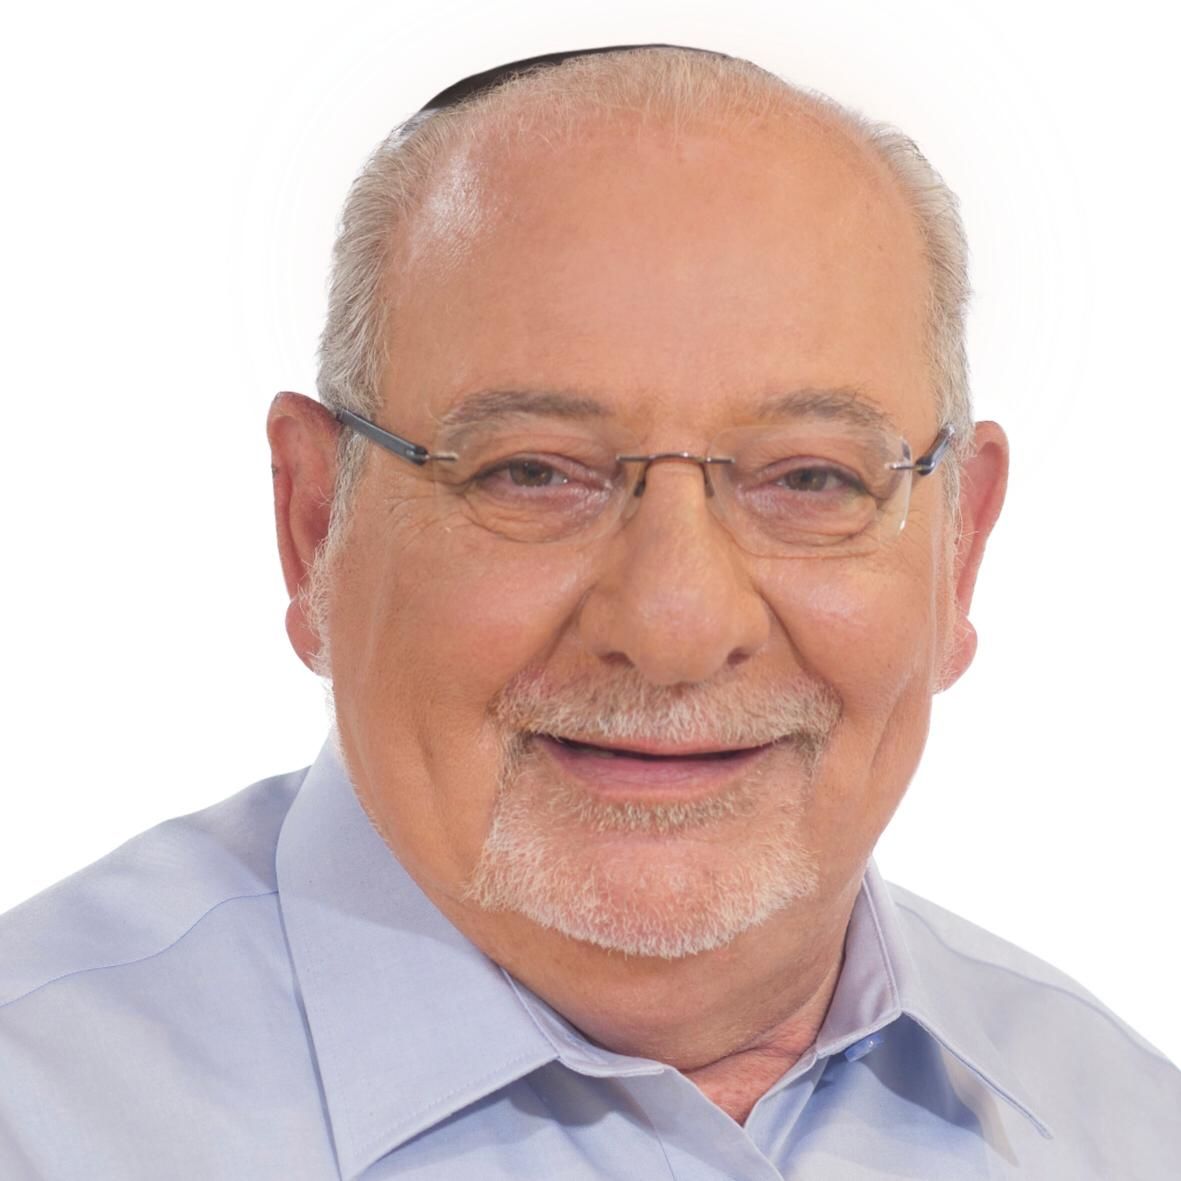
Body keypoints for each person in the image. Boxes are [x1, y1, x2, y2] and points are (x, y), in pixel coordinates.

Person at [0, 43, 1176, 1180]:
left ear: (957, 552)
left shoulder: (1126, 1133)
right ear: (317, 527)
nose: (672, 627)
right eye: (532, 472)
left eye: (810, 479)